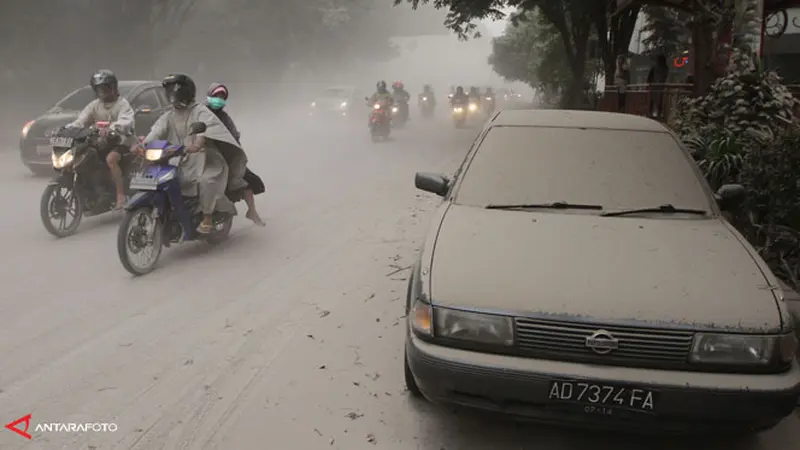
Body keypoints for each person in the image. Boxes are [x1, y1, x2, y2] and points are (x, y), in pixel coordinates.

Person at [139, 73, 247, 235]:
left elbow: (205, 128)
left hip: (206, 159)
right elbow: (157, 131)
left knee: (205, 180)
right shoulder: (169, 115)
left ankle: (208, 217)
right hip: (181, 157)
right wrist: (142, 145)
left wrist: (197, 143)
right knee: (165, 178)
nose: (171, 95)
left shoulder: (200, 111)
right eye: (169, 91)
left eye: (174, 90)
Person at [68, 69, 135, 210]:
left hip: (121, 141)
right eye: (99, 89)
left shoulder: (122, 104)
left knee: (111, 159)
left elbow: (126, 121)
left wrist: (113, 128)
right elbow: (81, 120)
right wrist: (69, 129)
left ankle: (120, 195)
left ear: (113, 87)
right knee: (84, 154)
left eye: (105, 88)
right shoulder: (94, 105)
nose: (102, 91)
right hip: (101, 142)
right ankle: (93, 188)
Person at [205, 83, 265, 227]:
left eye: (221, 97)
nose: (218, 99)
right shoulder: (200, 113)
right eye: (216, 96)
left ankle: (252, 211)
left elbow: (234, 136)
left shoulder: (225, 118)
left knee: (247, 181)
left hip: (223, 156)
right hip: (201, 154)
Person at [647, 54, 669, 119]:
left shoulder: (665, 68)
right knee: (654, 100)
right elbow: (649, 77)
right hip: (656, 86)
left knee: (658, 101)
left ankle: (656, 114)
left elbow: (649, 78)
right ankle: (653, 114)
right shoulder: (656, 68)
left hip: (659, 87)